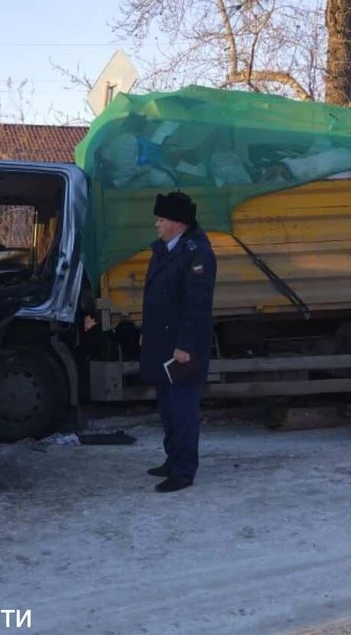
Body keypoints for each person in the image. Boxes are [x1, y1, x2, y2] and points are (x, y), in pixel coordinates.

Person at [139, 191, 217, 493]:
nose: (157, 224)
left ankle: (185, 469)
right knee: (168, 408)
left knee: (183, 409)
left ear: (178, 223)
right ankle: (173, 459)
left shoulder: (197, 254)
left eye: (161, 219)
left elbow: (197, 305)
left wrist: (185, 345)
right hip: (162, 345)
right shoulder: (165, 250)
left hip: (181, 349)